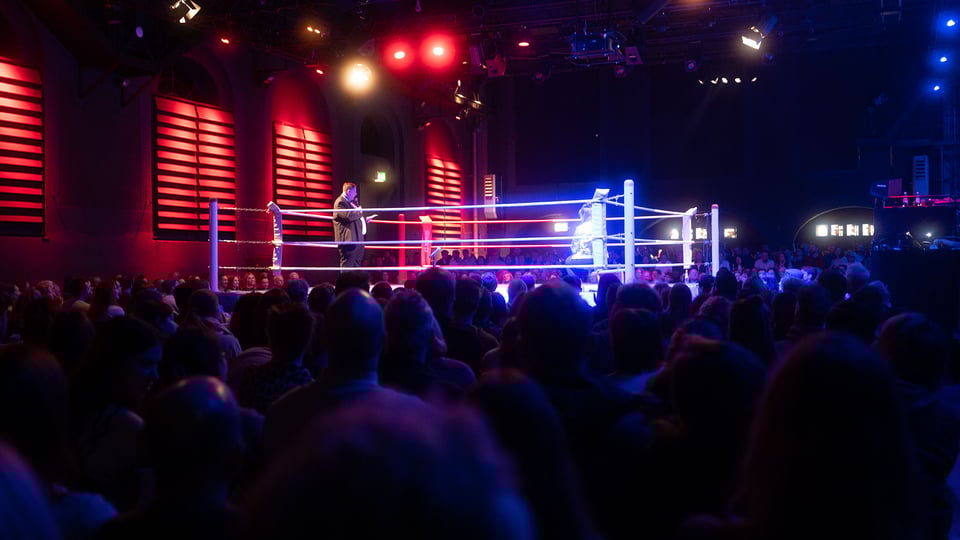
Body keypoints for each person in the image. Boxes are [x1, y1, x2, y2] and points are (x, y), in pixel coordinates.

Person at [332, 182, 366, 268]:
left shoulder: (351, 203)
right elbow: (348, 217)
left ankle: (354, 281)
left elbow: (354, 217)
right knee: (348, 264)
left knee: (356, 265)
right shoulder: (340, 202)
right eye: (354, 192)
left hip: (357, 239)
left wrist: (365, 220)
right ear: (348, 191)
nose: (356, 194)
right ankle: (345, 281)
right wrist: (359, 212)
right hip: (348, 240)